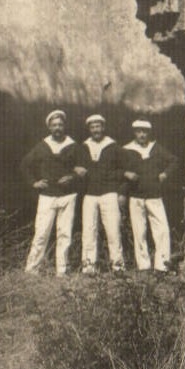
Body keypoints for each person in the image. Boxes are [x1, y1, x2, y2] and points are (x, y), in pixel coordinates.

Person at [21, 109, 85, 275]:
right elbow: (25, 165)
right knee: (41, 233)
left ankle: (62, 271)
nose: (57, 128)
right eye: (54, 125)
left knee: (65, 234)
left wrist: (72, 177)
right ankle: (31, 270)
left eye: (60, 125)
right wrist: (34, 183)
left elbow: (83, 170)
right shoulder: (42, 146)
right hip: (47, 196)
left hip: (68, 196)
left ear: (64, 126)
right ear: (49, 127)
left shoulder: (73, 146)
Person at [122, 118, 177, 273]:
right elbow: (116, 167)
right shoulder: (126, 150)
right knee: (139, 232)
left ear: (149, 133)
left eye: (145, 132)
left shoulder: (156, 148)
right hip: (136, 196)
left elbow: (174, 161)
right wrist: (125, 174)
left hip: (154, 195)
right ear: (134, 132)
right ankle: (143, 267)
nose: (142, 135)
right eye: (139, 131)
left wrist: (165, 174)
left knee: (162, 230)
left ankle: (162, 266)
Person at [79, 113, 126, 275]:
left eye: (98, 126)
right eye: (92, 127)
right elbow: (76, 165)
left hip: (109, 194)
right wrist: (76, 169)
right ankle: (89, 267)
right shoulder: (84, 147)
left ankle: (118, 267)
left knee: (113, 231)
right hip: (90, 194)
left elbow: (124, 170)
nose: (95, 130)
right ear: (89, 129)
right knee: (88, 231)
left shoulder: (113, 147)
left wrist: (121, 190)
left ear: (103, 127)